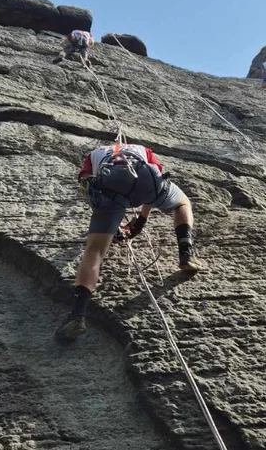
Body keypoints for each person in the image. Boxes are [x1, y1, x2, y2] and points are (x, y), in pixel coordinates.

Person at [55, 143, 199, 340]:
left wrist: (106, 221)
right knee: (183, 202)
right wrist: (141, 220)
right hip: (147, 181)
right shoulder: (142, 149)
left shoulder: (94, 155)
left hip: (111, 190)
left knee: (95, 251)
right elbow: (155, 175)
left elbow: (86, 184)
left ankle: (77, 315)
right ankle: (186, 252)